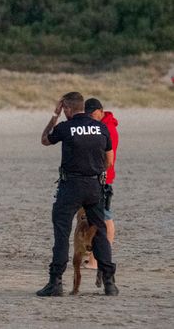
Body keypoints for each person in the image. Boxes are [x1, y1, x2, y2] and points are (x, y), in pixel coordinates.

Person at [37, 92, 117, 296]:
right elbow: (109, 160)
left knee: (62, 233)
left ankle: (55, 282)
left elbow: (45, 140)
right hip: (94, 186)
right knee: (99, 231)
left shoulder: (66, 127)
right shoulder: (102, 127)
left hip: (71, 185)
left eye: (63, 109)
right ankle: (109, 282)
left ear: (67, 109)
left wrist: (54, 117)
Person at [82, 98, 118, 271]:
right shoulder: (98, 126)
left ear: (100, 111)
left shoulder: (108, 128)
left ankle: (98, 259)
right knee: (92, 218)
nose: (90, 117)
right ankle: (92, 255)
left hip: (103, 178)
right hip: (93, 178)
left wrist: (98, 174)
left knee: (105, 218)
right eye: (87, 113)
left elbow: (108, 159)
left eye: (93, 113)